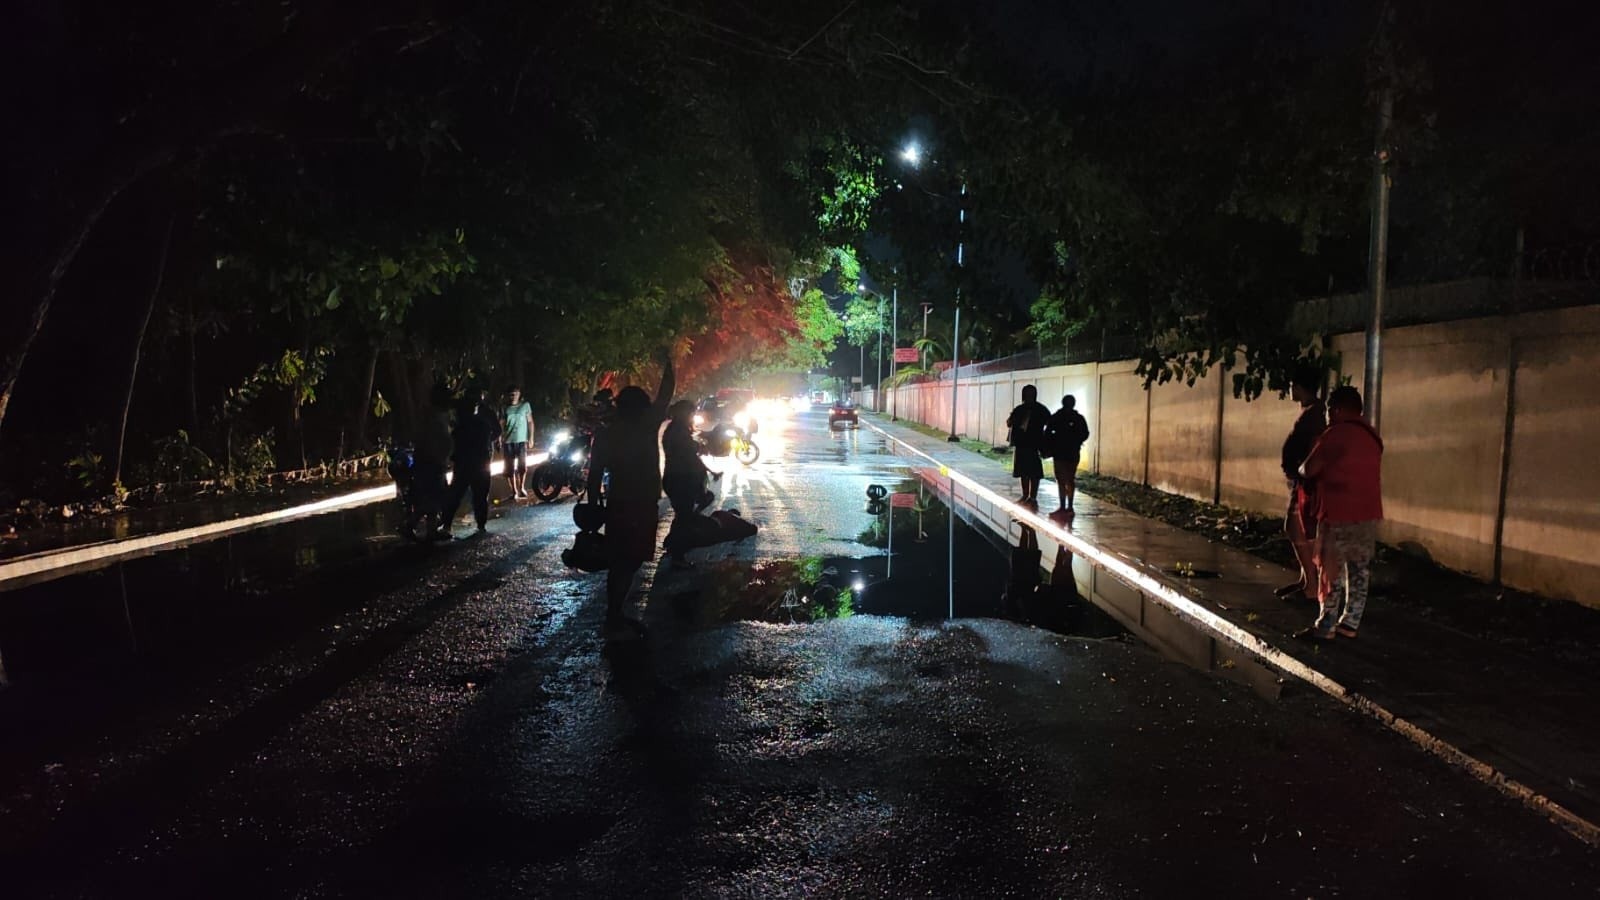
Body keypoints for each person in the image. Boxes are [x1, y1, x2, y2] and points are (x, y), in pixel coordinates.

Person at [588, 352, 675, 637]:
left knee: (621, 560)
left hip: (617, 504)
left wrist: (593, 508)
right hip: (643, 503)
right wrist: (668, 362)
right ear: (643, 407)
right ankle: (614, 615)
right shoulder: (647, 425)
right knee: (630, 560)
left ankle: (614, 613)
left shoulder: (606, 435)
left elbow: (594, 476)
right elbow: (665, 394)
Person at [1295, 385, 1383, 641]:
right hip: (1367, 512)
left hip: (1338, 512)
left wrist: (1300, 470)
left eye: (1328, 410)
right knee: (1359, 569)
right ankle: (1351, 622)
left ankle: (1326, 625)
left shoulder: (1335, 435)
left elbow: (1309, 469)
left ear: (1337, 409)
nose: (1327, 415)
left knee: (1331, 570)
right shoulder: (1372, 436)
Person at [1277, 365, 1326, 602]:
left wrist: (1302, 472)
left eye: (1292, 385)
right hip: (1301, 479)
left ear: (1299, 387)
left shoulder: (1314, 415)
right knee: (1297, 528)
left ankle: (1312, 585)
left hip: (1306, 481)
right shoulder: (1310, 412)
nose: (1290, 389)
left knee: (1296, 528)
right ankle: (1307, 579)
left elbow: (1313, 447)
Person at [661, 398, 715, 568]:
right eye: (691, 413)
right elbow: (688, 453)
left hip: (678, 478)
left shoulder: (676, 429)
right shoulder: (677, 431)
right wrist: (699, 448)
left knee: (682, 515)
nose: (692, 416)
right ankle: (677, 555)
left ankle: (673, 544)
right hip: (680, 479)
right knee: (684, 516)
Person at [445, 394, 495, 536]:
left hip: (464, 465)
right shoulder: (483, 424)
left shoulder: (460, 428)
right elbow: (490, 437)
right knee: (480, 495)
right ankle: (481, 525)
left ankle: (447, 524)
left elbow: (455, 446)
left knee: (456, 495)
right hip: (481, 464)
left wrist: (452, 458)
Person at [413, 384, 455, 538]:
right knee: (435, 496)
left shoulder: (436, 415)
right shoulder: (434, 418)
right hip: (432, 462)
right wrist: (439, 459)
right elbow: (433, 441)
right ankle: (419, 526)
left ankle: (427, 528)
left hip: (433, 461)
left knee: (434, 496)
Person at [1042, 394, 1091, 514]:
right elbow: (1085, 433)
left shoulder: (1057, 417)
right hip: (1072, 451)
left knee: (1061, 479)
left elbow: (1047, 432)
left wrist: (1051, 444)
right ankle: (1069, 506)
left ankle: (1063, 506)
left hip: (1059, 452)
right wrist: (1076, 440)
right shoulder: (1078, 418)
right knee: (1070, 478)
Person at [1005, 385, 1051, 506]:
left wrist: (1045, 438)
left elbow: (1050, 423)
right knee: (1023, 471)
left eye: (1031, 394)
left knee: (1033, 472)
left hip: (1034, 444)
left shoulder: (1040, 409)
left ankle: (1032, 497)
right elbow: (1009, 422)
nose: (1029, 397)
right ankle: (1026, 495)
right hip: (1022, 443)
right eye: (1027, 394)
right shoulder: (1020, 409)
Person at [502, 386, 534, 499]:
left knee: (522, 466)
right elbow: (502, 423)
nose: (513, 396)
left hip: (521, 440)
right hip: (508, 441)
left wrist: (531, 437)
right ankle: (514, 491)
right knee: (509, 468)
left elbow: (530, 422)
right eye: (511, 394)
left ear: (519, 394)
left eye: (516, 393)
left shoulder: (525, 406)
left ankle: (521, 487)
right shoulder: (505, 408)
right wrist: (499, 438)